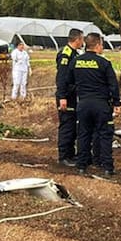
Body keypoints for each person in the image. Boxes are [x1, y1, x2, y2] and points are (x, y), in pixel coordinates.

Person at [56, 32, 120, 176]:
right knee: (105, 134)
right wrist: (117, 102)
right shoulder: (104, 63)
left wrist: (67, 93)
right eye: (102, 44)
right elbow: (113, 85)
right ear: (97, 45)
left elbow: (67, 80)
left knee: (83, 134)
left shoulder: (76, 61)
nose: (102, 47)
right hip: (101, 104)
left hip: (83, 104)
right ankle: (107, 167)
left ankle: (81, 165)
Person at [53, 28, 85, 166]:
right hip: (66, 96)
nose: (83, 42)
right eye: (82, 39)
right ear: (77, 39)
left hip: (72, 95)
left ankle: (71, 154)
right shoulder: (66, 55)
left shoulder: (74, 54)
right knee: (67, 126)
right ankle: (64, 156)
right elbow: (61, 78)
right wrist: (62, 97)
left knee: (72, 125)